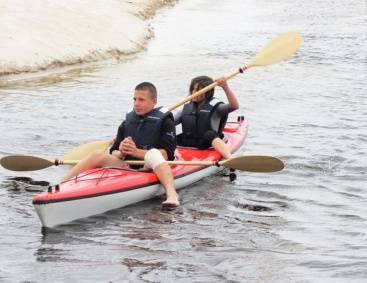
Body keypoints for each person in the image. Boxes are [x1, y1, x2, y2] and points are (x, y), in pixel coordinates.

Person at [60, 82, 179, 207]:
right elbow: (114, 151)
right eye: (134, 99)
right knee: (97, 154)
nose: (136, 104)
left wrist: (135, 152)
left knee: (154, 153)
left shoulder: (166, 122)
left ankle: (172, 195)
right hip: (129, 166)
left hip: (152, 165)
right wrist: (121, 152)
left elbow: (165, 155)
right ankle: (60, 185)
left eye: (141, 100)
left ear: (154, 101)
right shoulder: (127, 122)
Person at [173, 75, 239, 160]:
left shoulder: (217, 108)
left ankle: (230, 159)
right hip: (187, 144)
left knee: (209, 134)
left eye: (197, 90)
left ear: (207, 93)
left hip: (207, 144)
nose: (193, 92)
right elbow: (171, 121)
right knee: (169, 135)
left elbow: (234, 106)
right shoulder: (187, 108)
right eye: (193, 89)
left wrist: (225, 87)